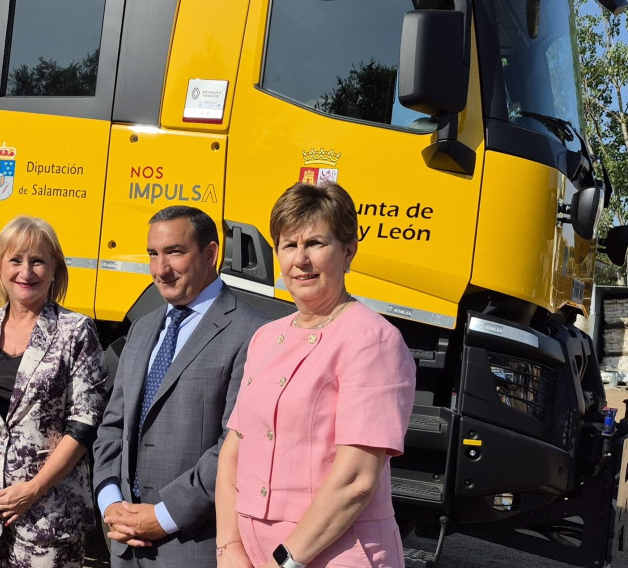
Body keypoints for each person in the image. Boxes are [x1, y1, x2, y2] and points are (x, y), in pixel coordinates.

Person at [214, 182, 416, 568]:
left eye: (315, 244)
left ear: (348, 251)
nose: (300, 260)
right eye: (289, 245)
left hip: (333, 555)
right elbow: (232, 454)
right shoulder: (265, 337)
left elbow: (355, 480)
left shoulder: (372, 340)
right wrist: (229, 549)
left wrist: (284, 563)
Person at [92, 205, 266, 567]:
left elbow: (237, 445)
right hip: (124, 545)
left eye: (174, 252)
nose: (160, 269)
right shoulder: (143, 328)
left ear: (210, 254)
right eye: (153, 254)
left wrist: (163, 516)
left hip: (192, 547)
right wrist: (111, 504)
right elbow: (112, 427)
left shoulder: (253, 333)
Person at [0, 216, 109, 567]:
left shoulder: (76, 331)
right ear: (0, 266)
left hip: (48, 518)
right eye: (15, 260)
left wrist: (33, 489)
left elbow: (85, 422)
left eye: (38, 261)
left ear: (55, 269)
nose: (26, 272)